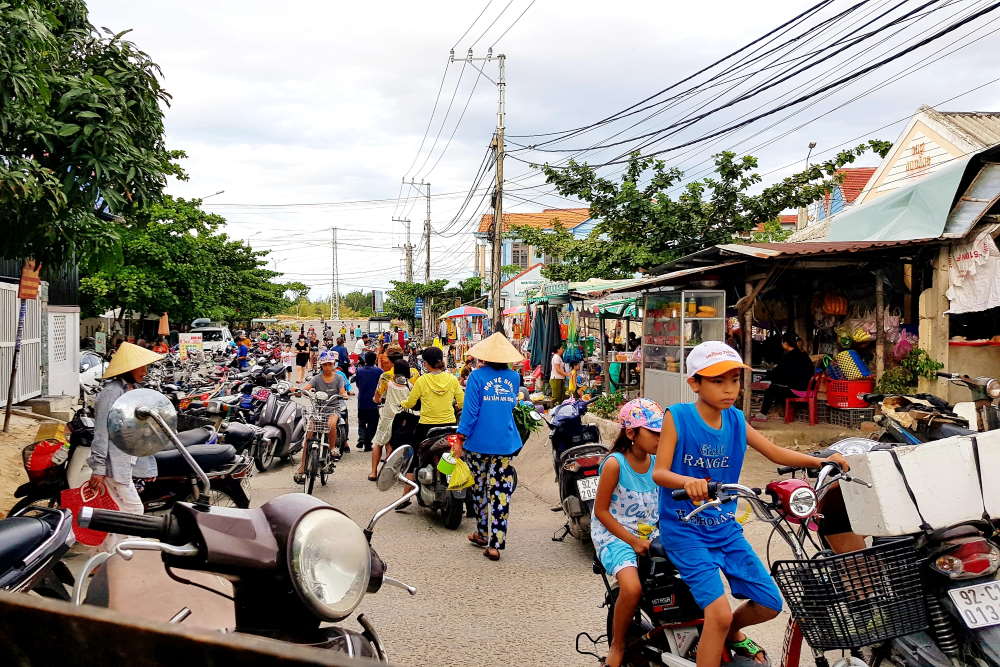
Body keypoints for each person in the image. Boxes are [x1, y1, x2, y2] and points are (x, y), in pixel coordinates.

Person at [652, 341, 849, 666]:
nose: (729, 389)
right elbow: (659, 472)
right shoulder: (678, 417)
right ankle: (719, 633)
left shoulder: (735, 419)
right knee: (717, 614)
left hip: (725, 529)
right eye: (718, 381)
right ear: (694, 383)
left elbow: (774, 452)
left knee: (770, 603)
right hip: (685, 530)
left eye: (734, 380)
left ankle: (729, 632)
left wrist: (820, 459)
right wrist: (688, 482)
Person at [592, 398, 663, 667]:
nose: (660, 438)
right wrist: (633, 540)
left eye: (662, 432)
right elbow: (601, 512)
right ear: (631, 433)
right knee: (631, 589)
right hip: (615, 534)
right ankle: (617, 646)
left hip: (650, 533)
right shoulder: (614, 464)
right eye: (654, 432)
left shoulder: (658, 462)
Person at [452, 333, 523, 562]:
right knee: (501, 493)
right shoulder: (513, 377)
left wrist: (460, 438)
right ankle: (495, 544)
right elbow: (511, 405)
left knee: (480, 489)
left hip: (478, 443)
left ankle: (482, 533)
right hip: (504, 443)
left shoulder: (476, 377)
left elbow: (470, 412)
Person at [87, 342, 164, 549]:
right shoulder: (111, 393)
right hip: (113, 464)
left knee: (118, 513)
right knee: (134, 511)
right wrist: (98, 469)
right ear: (129, 369)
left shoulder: (134, 390)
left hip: (126, 462)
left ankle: (105, 558)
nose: (144, 372)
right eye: (141, 367)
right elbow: (102, 433)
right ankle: (124, 555)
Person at [399, 347, 464, 507]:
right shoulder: (452, 379)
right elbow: (462, 402)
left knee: (415, 460)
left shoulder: (422, 380)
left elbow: (411, 402)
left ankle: (405, 497)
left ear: (426, 363)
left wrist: (402, 404)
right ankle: (469, 503)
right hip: (450, 426)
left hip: (427, 428)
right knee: (459, 458)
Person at [294, 352, 348, 484]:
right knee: (309, 434)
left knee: (331, 424)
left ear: (333, 365)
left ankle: (332, 448)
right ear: (321, 365)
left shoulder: (338, 378)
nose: (328, 367)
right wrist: (299, 391)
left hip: (334, 409)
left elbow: (342, 391)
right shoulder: (317, 378)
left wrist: (344, 394)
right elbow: (306, 388)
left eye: (330, 364)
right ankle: (302, 466)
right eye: (325, 364)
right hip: (318, 410)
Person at [369, 360, 415, 481]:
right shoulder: (410, 386)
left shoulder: (387, 383)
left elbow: (377, 397)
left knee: (378, 443)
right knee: (393, 446)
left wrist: (376, 399)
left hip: (387, 418)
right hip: (402, 420)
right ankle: (391, 473)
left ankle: (373, 472)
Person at [753, 332, 815, 421]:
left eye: (782, 342)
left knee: (772, 388)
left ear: (786, 344)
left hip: (799, 390)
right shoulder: (803, 355)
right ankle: (777, 412)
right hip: (808, 389)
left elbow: (779, 373)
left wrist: (764, 379)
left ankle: (763, 413)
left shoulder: (790, 357)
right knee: (778, 386)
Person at [355, 351, 382, 453]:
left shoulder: (359, 371)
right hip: (374, 401)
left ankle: (362, 438)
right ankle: (367, 441)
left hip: (362, 400)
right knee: (373, 424)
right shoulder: (379, 371)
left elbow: (357, 384)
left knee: (361, 422)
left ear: (365, 360)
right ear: (375, 359)